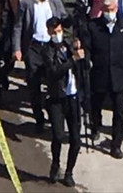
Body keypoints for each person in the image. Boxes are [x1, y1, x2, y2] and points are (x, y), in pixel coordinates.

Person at [83, 0, 123, 159]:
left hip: (120, 75)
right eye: (106, 10)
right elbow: (88, 48)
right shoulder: (93, 26)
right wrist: (87, 61)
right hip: (100, 74)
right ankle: (95, 126)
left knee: (119, 112)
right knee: (96, 106)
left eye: (112, 9)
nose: (109, 12)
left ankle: (116, 144)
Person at [13, 0, 68, 131]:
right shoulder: (26, 4)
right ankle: (38, 118)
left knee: (53, 82)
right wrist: (17, 48)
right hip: (34, 48)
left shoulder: (56, 2)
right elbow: (18, 26)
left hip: (51, 48)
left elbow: (64, 20)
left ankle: (54, 115)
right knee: (34, 83)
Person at [43, 16, 85, 186]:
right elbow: (54, 71)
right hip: (56, 98)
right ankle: (55, 163)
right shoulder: (47, 50)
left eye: (59, 30)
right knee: (58, 136)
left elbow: (84, 66)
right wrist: (72, 60)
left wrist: (79, 54)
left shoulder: (68, 46)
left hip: (73, 97)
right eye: (54, 31)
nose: (57, 34)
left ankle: (69, 171)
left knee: (76, 138)